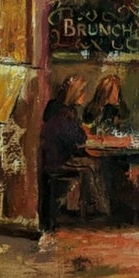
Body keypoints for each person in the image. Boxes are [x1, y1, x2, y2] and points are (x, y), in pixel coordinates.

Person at [39, 74, 99, 230]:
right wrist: (82, 134)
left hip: (55, 157)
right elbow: (76, 139)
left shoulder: (59, 110)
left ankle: (90, 205)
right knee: (91, 165)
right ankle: (91, 206)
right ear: (74, 94)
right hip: (58, 160)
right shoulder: (64, 114)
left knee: (91, 163)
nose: (84, 96)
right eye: (82, 92)